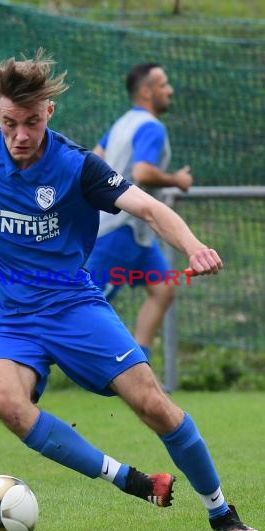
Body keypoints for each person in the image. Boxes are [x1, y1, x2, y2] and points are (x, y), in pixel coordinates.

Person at [0, 49, 258, 531]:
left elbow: (146, 207)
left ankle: (221, 512)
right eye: (11, 122)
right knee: (3, 400)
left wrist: (193, 246)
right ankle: (128, 480)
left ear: (49, 114)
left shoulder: (77, 166)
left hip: (74, 307)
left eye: (32, 122)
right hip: (11, 319)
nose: (21, 135)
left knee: (152, 405)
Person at [86, 62, 193, 363]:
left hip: (135, 232)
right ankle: (30, 357)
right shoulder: (151, 127)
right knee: (81, 309)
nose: (170, 90)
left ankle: (136, 361)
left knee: (163, 289)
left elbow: (95, 158)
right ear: (146, 92)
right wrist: (177, 180)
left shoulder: (122, 124)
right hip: (120, 229)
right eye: (164, 84)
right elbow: (142, 172)